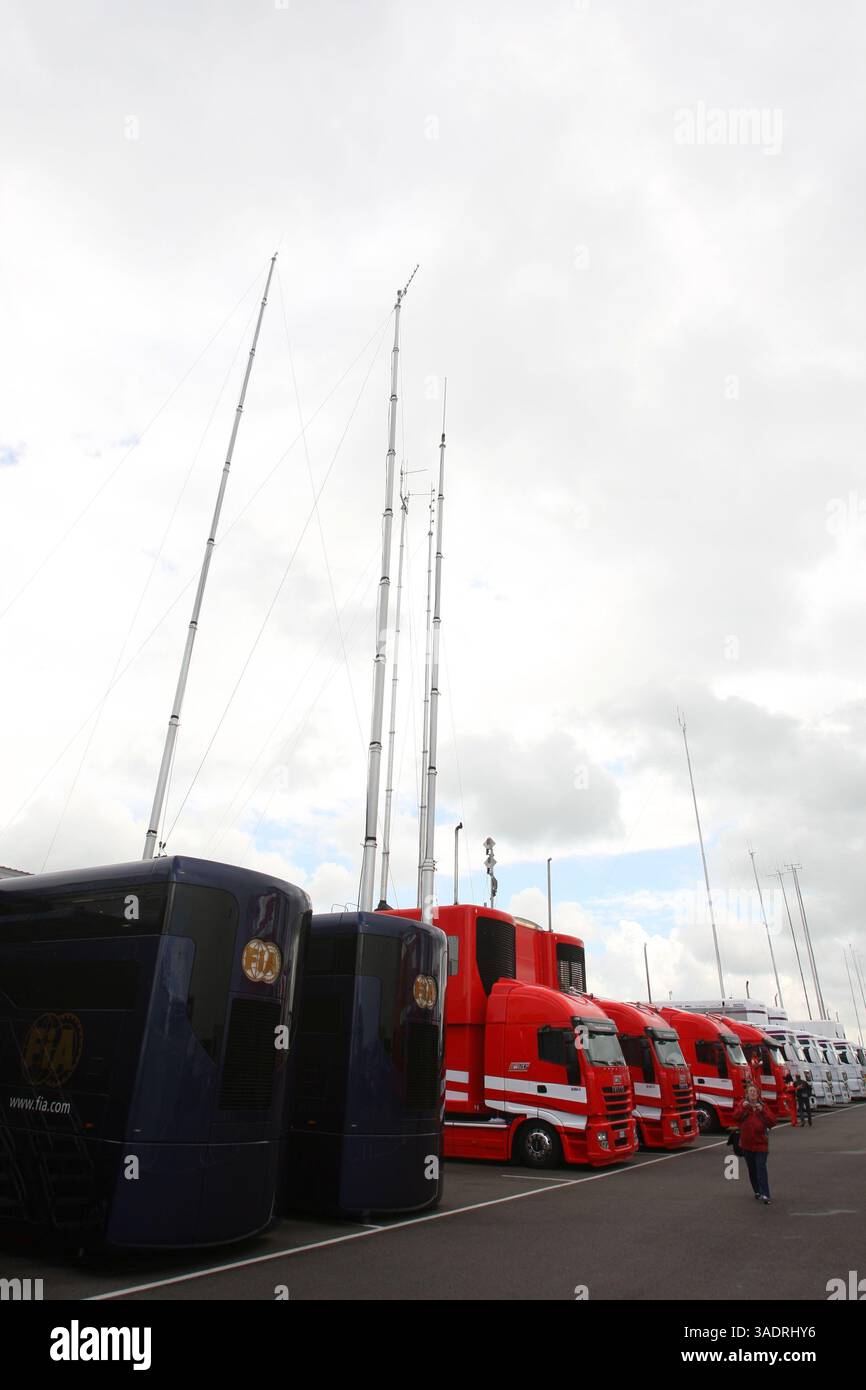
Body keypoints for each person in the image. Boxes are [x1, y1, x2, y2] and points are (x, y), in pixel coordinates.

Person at [733, 1083, 774, 1205]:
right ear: (747, 1094)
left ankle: (765, 1193)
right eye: (750, 1091)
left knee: (761, 1167)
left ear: (757, 1094)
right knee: (752, 1169)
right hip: (747, 1144)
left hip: (761, 1144)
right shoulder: (742, 1105)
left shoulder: (763, 1106)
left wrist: (763, 1112)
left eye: (754, 1092)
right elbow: (735, 1117)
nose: (752, 1093)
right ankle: (757, 1190)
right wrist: (743, 1108)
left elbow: (773, 1121)